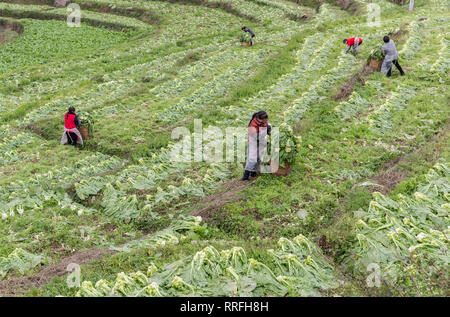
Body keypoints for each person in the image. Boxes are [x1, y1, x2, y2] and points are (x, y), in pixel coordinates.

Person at [242, 111, 271, 181]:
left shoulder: (263, 122)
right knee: (252, 160)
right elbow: (256, 136)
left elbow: (267, 127)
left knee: (259, 158)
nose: (265, 121)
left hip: (260, 141)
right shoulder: (253, 125)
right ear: (259, 118)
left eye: (266, 120)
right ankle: (245, 176)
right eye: (264, 120)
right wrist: (265, 142)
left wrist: (270, 132)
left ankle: (253, 173)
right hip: (253, 142)